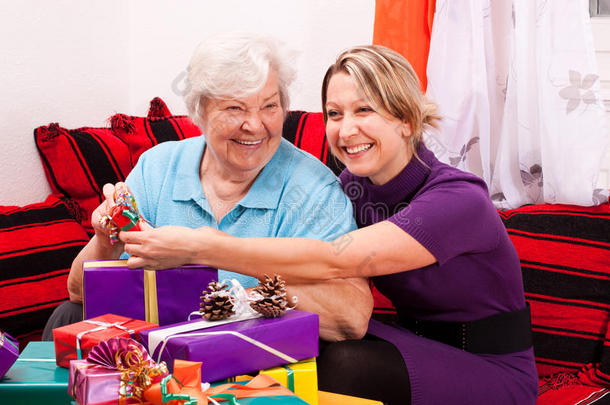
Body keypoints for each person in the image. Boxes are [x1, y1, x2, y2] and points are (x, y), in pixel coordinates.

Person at [119, 45, 539, 405]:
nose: (345, 129)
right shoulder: (350, 186)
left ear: (407, 120)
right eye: (334, 114)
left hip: (489, 366)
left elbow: (335, 260)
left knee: (343, 364)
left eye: (364, 110)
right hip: (410, 342)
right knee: (300, 344)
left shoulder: (458, 200)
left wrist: (200, 247)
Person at [43, 33, 372, 342]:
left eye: (269, 106)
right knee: (67, 316)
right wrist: (106, 240)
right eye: (234, 108)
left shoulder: (311, 186)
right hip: (157, 343)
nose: (255, 125)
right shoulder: (158, 166)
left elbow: (351, 317)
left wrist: (216, 257)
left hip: (254, 348)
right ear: (199, 111)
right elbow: (78, 293)